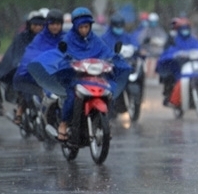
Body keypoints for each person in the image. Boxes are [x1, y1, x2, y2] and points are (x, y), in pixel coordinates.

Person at [27, 7, 130, 142]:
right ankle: (64, 124)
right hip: (74, 77)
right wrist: (69, 63)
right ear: (75, 26)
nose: (84, 30)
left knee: (111, 92)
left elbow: (107, 52)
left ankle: (106, 121)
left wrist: (114, 59)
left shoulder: (96, 40)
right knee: (71, 96)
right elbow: (61, 56)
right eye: (81, 27)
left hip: (94, 77)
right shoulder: (67, 40)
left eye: (86, 27)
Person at [12, 9, 65, 124]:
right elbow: (30, 55)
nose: (55, 27)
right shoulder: (39, 38)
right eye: (52, 24)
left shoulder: (66, 38)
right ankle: (22, 110)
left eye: (58, 24)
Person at [156, 17, 198, 106]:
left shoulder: (193, 39)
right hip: (179, 67)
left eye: (186, 28)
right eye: (183, 28)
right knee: (177, 80)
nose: (185, 30)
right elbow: (169, 52)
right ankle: (173, 99)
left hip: (194, 65)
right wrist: (177, 55)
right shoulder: (174, 40)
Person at [0, 10, 46, 114]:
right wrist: (21, 63)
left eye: (40, 25)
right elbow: (18, 53)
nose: (38, 27)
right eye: (35, 24)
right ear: (29, 25)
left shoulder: (47, 38)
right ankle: (20, 110)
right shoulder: (22, 37)